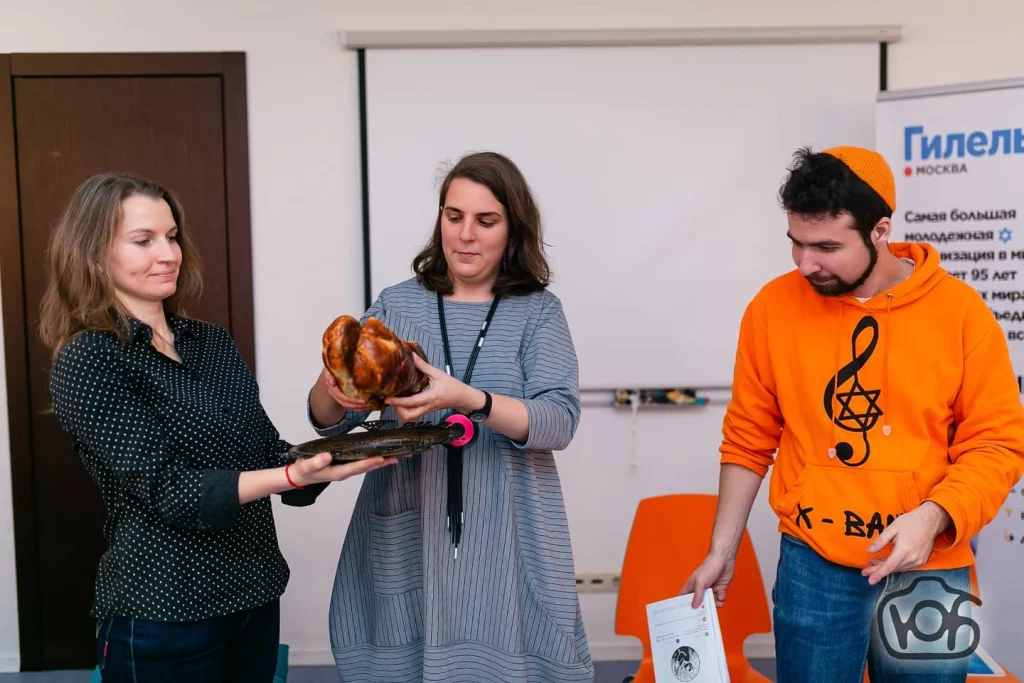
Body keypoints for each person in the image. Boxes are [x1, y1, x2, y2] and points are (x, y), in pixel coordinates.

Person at [682, 146, 1024, 682]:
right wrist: (721, 550)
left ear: (881, 230)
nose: (804, 263)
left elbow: (997, 445)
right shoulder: (771, 309)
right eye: (795, 242)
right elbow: (749, 439)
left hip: (929, 570)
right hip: (813, 564)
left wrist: (931, 518)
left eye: (826, 246)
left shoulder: (961, 314)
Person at [40, 172, 393, 683]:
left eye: (172, 236)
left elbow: (264, 453)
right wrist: (295, 475)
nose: (168, 254)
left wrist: (338, 455)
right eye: (144, 241)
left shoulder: (211, 342)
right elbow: (174, 491)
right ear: (94, 255)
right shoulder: (89, 359)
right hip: (163, 613)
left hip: (253, 596)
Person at [306, 151, 594, 682]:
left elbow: (559, 421)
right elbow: (329, 423)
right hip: (410, 529)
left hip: (508, 533)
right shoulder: (396, 305)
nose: (465, 235)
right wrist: (333, 387)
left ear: (513, 230)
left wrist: (470, 400)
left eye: (486, 221)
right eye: (453, 216)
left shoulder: (539, 312)